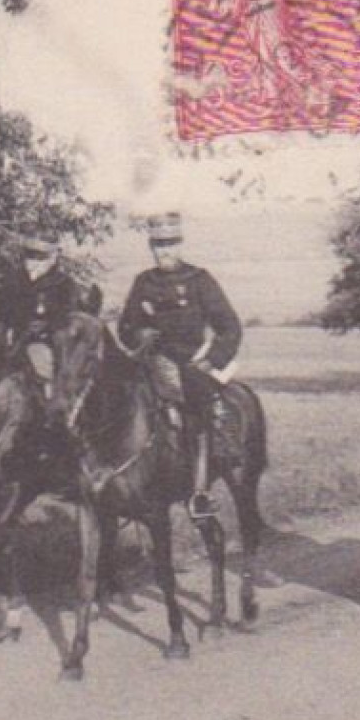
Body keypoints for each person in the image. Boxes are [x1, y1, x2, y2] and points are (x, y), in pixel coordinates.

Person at [117, 212, 243, 518]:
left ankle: (199, 490)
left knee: (198, 409)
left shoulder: (199, 280)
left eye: (171, 243)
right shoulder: (143, 282)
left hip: (191, 362)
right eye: (159, 244)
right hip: (150, 360)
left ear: (181, 244)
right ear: (151, 247)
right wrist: (138, 334)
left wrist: (212, 360)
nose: (165, 250)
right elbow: (125, 327)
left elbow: (230, 328)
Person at [0, 234, 81, 380]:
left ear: (53, 258)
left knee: (43, 370)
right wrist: (0, 330)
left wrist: (47, 326)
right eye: (30, 255)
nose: (33, 261)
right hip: (15, 344)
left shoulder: (64, 284)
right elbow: (1, 312)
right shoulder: (14, 280)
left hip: (48, 345)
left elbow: (69, 318)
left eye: (41, 257)